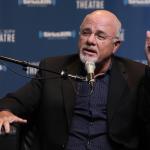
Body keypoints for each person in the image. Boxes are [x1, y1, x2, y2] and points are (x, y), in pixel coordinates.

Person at [0, 9, 150, 150]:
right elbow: (14, 101)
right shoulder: (54, 67)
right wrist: (5, 112)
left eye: (100, 36)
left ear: (115, 45)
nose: (90, 40)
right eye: (86, 33)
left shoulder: (136, 74)